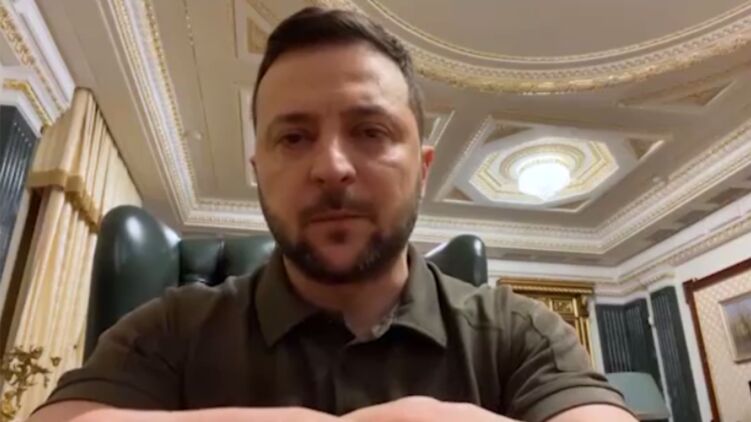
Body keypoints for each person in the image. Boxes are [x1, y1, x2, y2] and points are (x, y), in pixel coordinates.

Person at [31, 7, 637, 422]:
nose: (332, 167)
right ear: (258, 168)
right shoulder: (168, 329)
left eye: (370, 131)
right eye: (294, 138)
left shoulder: (522, 333)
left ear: (423, 168)